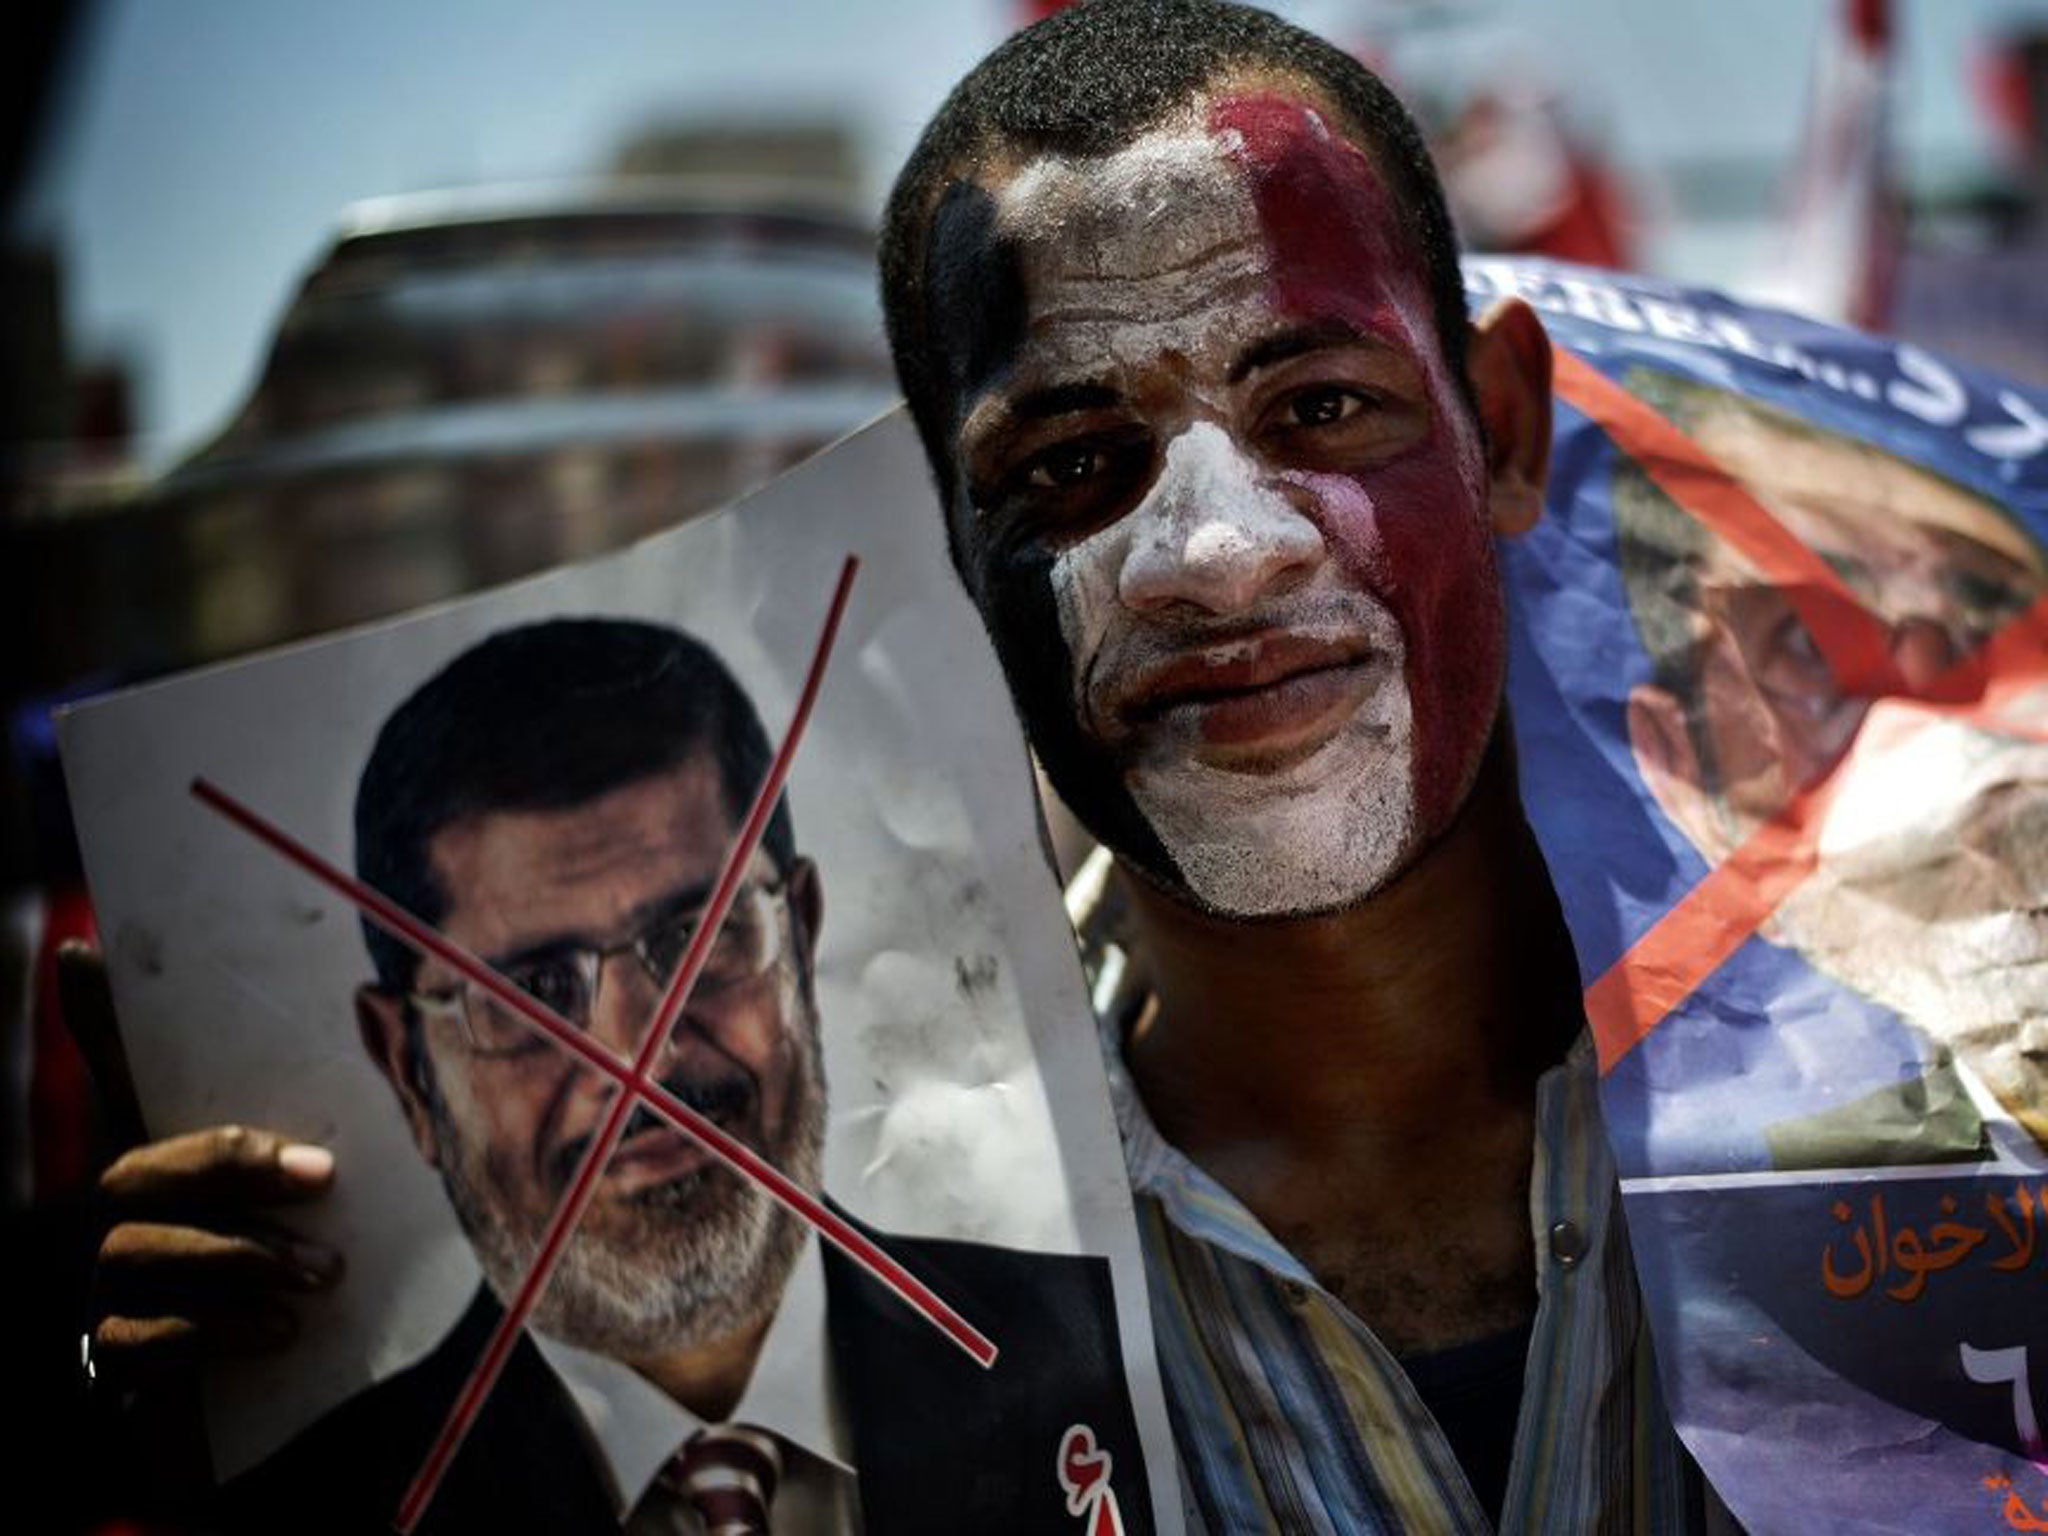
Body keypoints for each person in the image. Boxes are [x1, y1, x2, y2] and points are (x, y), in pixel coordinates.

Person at [87, 4, 1727, 1531]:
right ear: (938, 552)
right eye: (1074, 465)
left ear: (1501, 429)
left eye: (1319, 404)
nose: (1216, 553)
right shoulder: (851, 1267)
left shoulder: (1855, 1053)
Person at [200, 616, 1149, 1535]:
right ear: (407, 1066)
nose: (638, 1057)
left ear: (799, 941)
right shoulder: (288, 1513)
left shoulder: (1109, 1348)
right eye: (530, 989)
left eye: (695, 938)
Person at [1611, 367, 2048, 1164]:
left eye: (1992, 624)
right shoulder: (1708, 1204)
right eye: (1812, 640)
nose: (1936, 718)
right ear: (1685, 778)